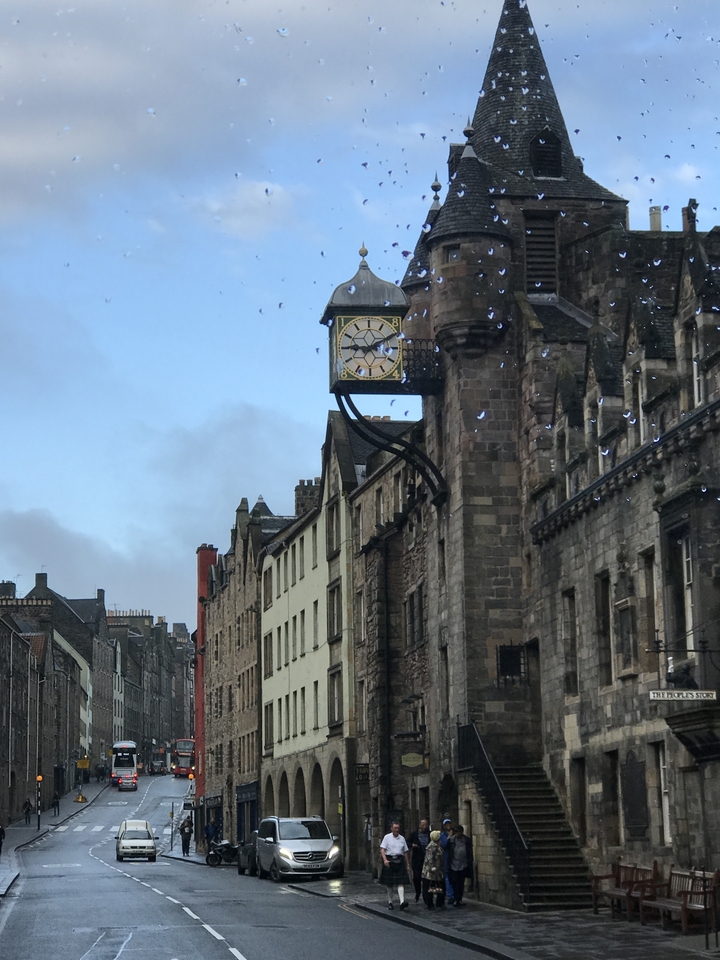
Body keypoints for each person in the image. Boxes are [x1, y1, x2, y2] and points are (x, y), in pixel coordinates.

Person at [380, 821, 411, 911]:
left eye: (398, 828)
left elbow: (405, 852)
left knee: (400, 882)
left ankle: (402, 902)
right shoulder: (387, 837)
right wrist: (385, 860)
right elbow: (382, 849)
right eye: (395, 828)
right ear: (391, 828)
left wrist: (408, 864)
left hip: (400, 860)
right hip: (390, 860)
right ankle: (390, 902)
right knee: (389, 883)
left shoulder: (402, 838)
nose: (397, 830)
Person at [447, 825, 474, 907]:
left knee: (461, 883)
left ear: (461, 832)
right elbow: (446, 849)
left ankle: (459, 899)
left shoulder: (466, 840)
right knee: (455, 882)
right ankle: (456, 899)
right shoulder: (451, 840)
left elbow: (469, 852)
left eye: (458, 832)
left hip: (463, 864)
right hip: (454, 864)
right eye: (455, 832)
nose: (456, 833)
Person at [421, 830, 446, 909]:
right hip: (431, 872)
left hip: (439, 870)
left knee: (440, 887)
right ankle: (430, 903)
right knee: (431, 888)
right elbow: (429, 858)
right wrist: (432, 868)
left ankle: (440, 902)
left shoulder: (439, 844)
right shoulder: (431, 846)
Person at [408, 818, 430, 902]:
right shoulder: (414, 834)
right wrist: (412, 845)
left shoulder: (430, 834)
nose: (424, 827)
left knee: (426, 880)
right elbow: (407, 842)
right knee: (416, 878)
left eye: (426, 825)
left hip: (427, 860)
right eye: (423, 825)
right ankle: (418, 892)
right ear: (419, 825)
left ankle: (426, 897)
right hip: (417, 860)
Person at [439, 819, 454, 901]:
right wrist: (449, 837)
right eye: (446, 824)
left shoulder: (454, 833)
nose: (448, 825)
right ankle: (450, 895)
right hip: (446, 858)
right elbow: (444, 845)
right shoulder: (442, 835)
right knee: (447, 877)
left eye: (449, 823)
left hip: (454, 858)